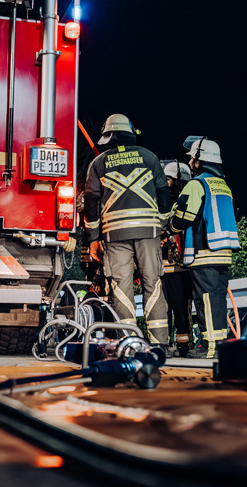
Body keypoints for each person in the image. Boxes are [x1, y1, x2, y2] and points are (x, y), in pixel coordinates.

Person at [83, 114, 170, 346]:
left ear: (107, 136)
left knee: (121, 288)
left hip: (115, 235)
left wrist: (93, 239)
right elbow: (164, 196)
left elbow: (91, 204)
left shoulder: (98, 163)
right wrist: (160, 227)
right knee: (153, 284)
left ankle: (129, 342)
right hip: (148, 233)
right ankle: (159, 343)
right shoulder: (150, 157)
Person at [168, 138, 239, 359]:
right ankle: (219, 344)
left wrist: (170, 226)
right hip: (223, 253)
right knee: (217, 299)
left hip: (204, 253)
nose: (190, 162)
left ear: (200, 160)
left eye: (192, 158)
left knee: (205, 299)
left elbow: (184, 217)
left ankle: (209, 346)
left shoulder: (196, 184)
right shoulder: (223, 186)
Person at [160, 160, 194, 357]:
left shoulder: (185, 201)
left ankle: (184, 345)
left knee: (181, 309)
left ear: (180, 180)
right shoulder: (161, 201)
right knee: (162, 309)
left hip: (180, 267)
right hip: (161, 266)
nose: (166, 183)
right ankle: (163, 344)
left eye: (169, 179)